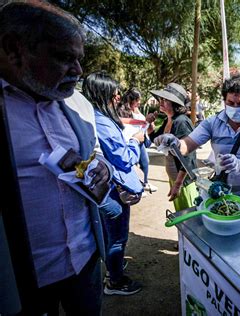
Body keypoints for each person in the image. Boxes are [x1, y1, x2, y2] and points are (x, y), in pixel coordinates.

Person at [0, 2, 112, 314]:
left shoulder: (79, 105)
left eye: (79, 59)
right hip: (24, 282)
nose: (78, 71)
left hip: (85, 261)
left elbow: (97, 154)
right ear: (14, 50)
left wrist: (101, 168)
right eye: (64, 57)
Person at [155, 74, 240, 205]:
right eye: (231, 103)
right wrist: (175, 143)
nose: (236, 108)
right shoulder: (213, 122)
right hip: (222, 192)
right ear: (224, 101)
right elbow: (188, 144)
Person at [82, 72, 143, 296]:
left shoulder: (95, 118)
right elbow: (124, 158)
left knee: (110, 234)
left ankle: (113, 267)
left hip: (105, 190)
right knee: (117, 237)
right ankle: (115, 281)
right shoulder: (102, 122)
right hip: (112, 193)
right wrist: (135, 142)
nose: (118, 96)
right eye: (114, 93)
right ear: (102, 94)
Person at [149, 83, 199, 211]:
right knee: (181, 214)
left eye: (165, 100)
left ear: (175, 104)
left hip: (183, 182)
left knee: (188, 215)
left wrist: (178, 184)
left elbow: (188, 156)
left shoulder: (181, 121)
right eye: (161, 99)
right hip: (175, 178)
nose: (161, 102)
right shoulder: (168, 119)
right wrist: (150, 124)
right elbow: (155, 139)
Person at [118, 88, 158, 194]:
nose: (139, 102)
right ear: (131, 100)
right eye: (138, 100)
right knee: (133, 165)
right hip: (129, 142)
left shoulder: (137, 112)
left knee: (145, 162)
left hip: (139, 141)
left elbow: (145, 127)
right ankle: (135, 186)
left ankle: (144, 183)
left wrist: (149, 123)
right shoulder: (121, 112)